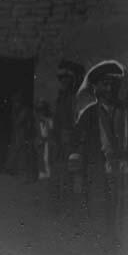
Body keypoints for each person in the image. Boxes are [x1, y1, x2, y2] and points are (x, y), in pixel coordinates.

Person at [70, 60, 128, 255]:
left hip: (125, 176)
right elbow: (76, 147)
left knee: (122, 218)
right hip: (97, 176)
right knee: (99, 215)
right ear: (95, 88)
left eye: (113, 83)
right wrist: (77, 177)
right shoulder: (88, 115)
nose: (110, 88)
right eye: (104, 84)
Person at [50, 59, 85, 207]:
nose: (63, 81)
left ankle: (76, 208)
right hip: (61, 143)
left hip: (74, 143)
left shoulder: (78, 97)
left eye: (67, 78)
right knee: (61, 175)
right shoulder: (61, 97)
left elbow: (80, 122)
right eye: (61, 79)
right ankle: (63, 205)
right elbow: (57, 120)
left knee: (75, 175)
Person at [34, 99, 53, 180]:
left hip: (48, 142)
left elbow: (51, 131)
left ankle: (48, 174)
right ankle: (42, 174)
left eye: (42, 110)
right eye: (39, 111)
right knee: (40, 157)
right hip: (40, 141)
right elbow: (38, 131)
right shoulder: (38, 121)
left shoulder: (49, 120)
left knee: (47, 158)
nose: (40, 113)